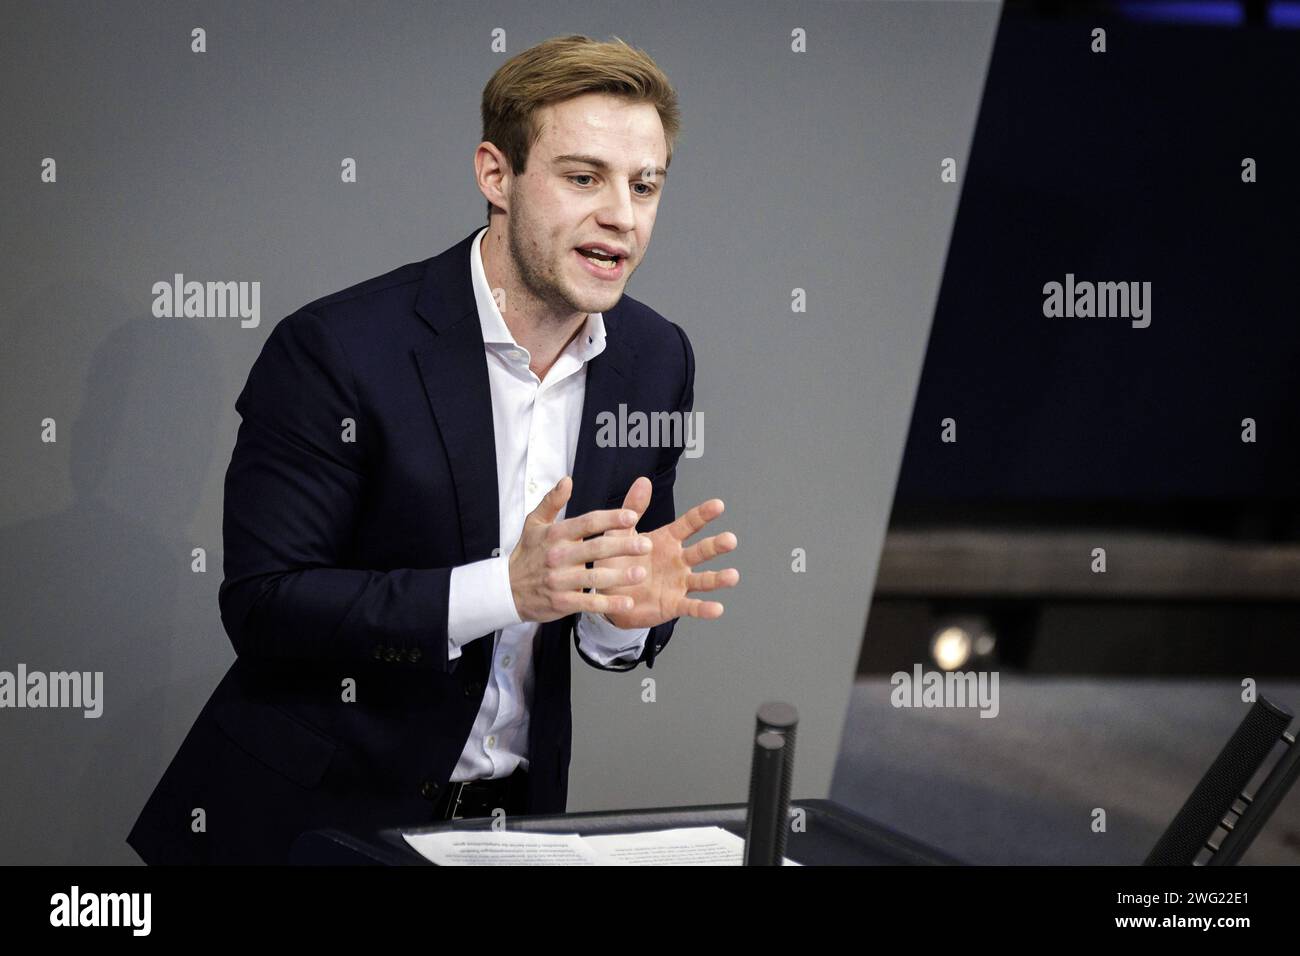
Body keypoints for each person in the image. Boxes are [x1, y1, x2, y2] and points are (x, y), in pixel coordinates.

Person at [126, 33, 738, 864]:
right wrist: (506, 589)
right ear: (497, 174)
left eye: (645, 185)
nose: (621, 216)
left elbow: (609, 599)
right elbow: (265, 605)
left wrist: (620, 620)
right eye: (583, 177)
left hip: (507, 832)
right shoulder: (337, 349)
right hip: (303, 830)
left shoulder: (656, 358)